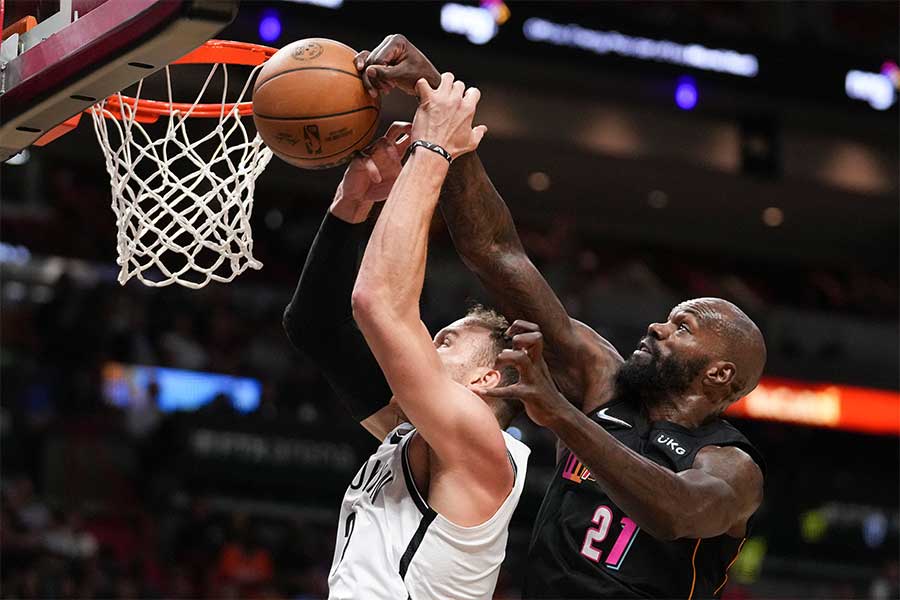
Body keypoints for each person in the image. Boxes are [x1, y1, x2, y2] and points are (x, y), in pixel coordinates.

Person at [354, 34, 767, 599]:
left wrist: (563, 416)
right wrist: (436, 104)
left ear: (720, 375)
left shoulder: (730, 465)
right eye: (669, 318)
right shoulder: (602, 376)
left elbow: (678, 513)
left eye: (682, 328)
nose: (656, 327)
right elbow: (497, 253)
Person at [283, 75, 530, 600]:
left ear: (486, 378)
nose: (426, 345)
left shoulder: (480, 445)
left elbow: (378, 303)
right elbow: (315, 327)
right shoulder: (411, 431)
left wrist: (433, 149)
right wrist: (352, 206)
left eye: (445, 341)